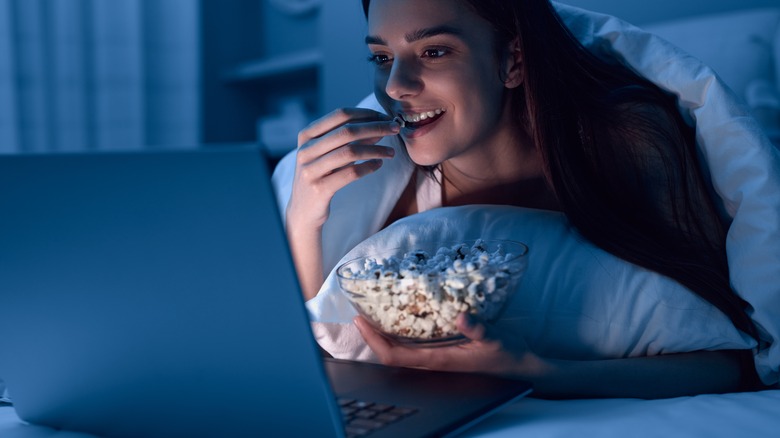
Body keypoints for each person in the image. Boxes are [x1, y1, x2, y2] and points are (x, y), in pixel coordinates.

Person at [282, 0, 767, 398]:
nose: (395, 87)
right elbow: (310, 352)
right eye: (382, 57)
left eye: (434, 52)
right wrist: (302, 221)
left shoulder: (627, 141)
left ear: (513, 60)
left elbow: (735, 363)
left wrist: (539, 374)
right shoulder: (381, 183)